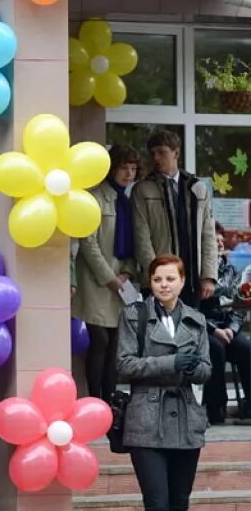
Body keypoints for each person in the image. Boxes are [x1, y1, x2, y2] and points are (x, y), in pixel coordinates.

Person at [117, 253, 212, 511]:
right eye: (158, 280)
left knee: (179, 508)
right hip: (146, 419)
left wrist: (193, 368)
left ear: (183, 281)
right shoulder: (134, 316)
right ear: (150, 282)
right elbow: (125, 365)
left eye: (171, 279)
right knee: (157, 506)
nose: (164, 285)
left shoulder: (197, 320)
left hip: (186, 419)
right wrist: (170, 363)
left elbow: (206, 369)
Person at [73, 144, 140, 401]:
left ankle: (110, 399)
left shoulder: (128, 200)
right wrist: (108, 277)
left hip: (120, 282)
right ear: (112, 168)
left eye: (133, 169)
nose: (129, 174)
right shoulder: (96, 197)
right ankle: (95, 397)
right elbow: (88, 242)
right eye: (124, 168)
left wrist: (127, 273)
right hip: (96, 280)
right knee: (99, 337)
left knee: (115, 342)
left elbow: (135, 241)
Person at [133, 130, 217, 306]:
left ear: (176, 153)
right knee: (159, 330)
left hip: (192, 278)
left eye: (161, 152)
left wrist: (208, 276)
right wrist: (157, 276)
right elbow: (141, 237)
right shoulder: (143, 189)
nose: (156, 158)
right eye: (153, 153)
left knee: (189, 330)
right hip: (160, 280)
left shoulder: (197, 187)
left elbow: (208, 234)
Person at [200, 225, 251, 423]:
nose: (221, 244)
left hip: (228, 326)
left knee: (246, 349)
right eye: (215, 241)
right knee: (216, 351)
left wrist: (231, 328)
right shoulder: (198, 273)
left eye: (222, 241)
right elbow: (192, 310)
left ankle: (248, 407)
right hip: (204, 329)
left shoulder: (232, 270)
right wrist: (214, 330)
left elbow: (239, 304)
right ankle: (216, 407)